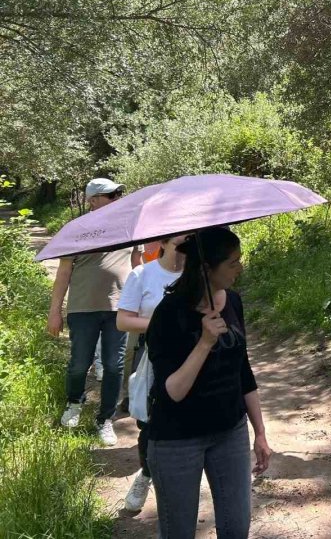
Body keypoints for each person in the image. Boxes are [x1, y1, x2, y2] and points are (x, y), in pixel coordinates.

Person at [146, 227, 272, 538]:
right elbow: (173, 391)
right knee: (178, 532)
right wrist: (203, 343)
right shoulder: (168, 314)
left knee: (236, 527)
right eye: (232, 263)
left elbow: (243, 371)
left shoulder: (232, 301)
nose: (240, 269)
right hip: (176, 440)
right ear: (206, 269)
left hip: (230, 431)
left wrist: (260, 432)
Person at [47, 177, 141, 446]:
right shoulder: (76, 229)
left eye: (117, 195)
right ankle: (74, 403)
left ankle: (105, 419)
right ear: (92, 200)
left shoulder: (131, 228)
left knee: (114, 366)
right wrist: (55, 311)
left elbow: (138, 267)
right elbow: (64, 272)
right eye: (110, 196)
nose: (116, 200)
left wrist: (145, 304)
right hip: (82, 308)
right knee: (79, 364)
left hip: (119, 310)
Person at [116, 234, 187, 512]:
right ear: (166, 242)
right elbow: (123, 320)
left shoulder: (200, 274)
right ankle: (146, 474)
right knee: (150, 422)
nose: (187, 246)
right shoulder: (142, 274)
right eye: (182, 241)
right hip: (153, 356)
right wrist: (162, 323)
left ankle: (180, 483)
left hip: (195, 355)